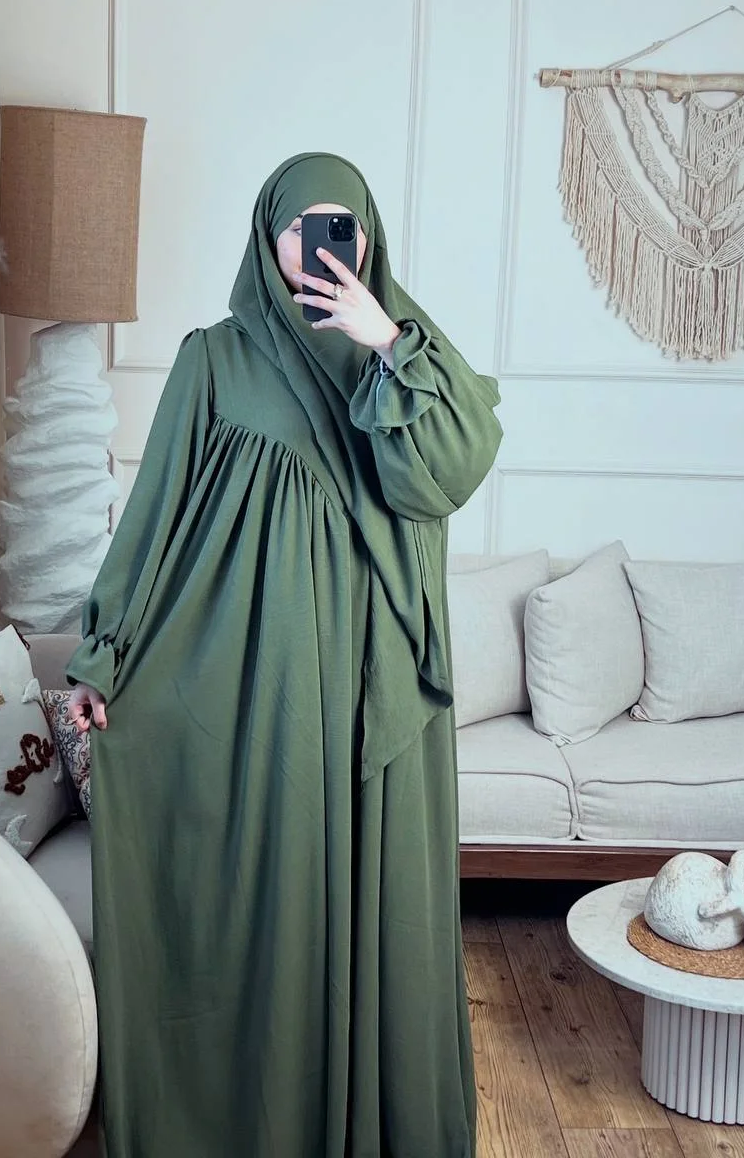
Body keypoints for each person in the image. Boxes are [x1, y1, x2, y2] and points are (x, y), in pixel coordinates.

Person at [66, 152, 503, 1157]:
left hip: (377, 684)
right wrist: (104, 653)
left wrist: (385, 340)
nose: (322, 245)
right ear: (268, 239)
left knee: (379, 903)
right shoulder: (214, 360)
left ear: (369, 239)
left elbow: (449, 474)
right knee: (270, 890)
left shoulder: (406, 353)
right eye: (303, 226)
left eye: (344, 226)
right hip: (257, 678)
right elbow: (155, 513)